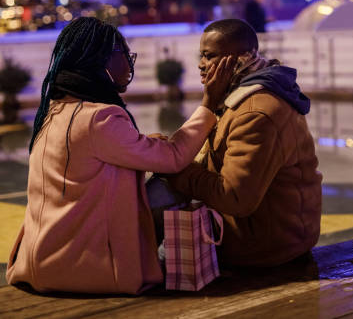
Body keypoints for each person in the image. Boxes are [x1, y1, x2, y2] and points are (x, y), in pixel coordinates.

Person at [6, 17, 234, 294]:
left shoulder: (54, 112)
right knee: (175, 182)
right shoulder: (100, 118)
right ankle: (232, 251)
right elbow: (174, 157)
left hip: (41, 262)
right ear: (104, 61)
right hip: (83, 266)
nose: (130, 62)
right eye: (125, 54)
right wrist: (210, 101)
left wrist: (144, 143)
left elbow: (94, 153)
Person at [164, 18, 322, 268]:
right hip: (258, 239)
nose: (200, 65)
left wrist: (175, 170)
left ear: (236, 60)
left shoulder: (255, 113)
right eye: (201, 56)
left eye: (208, 56)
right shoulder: (233, 97)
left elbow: (235, 197)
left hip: (266, 249)